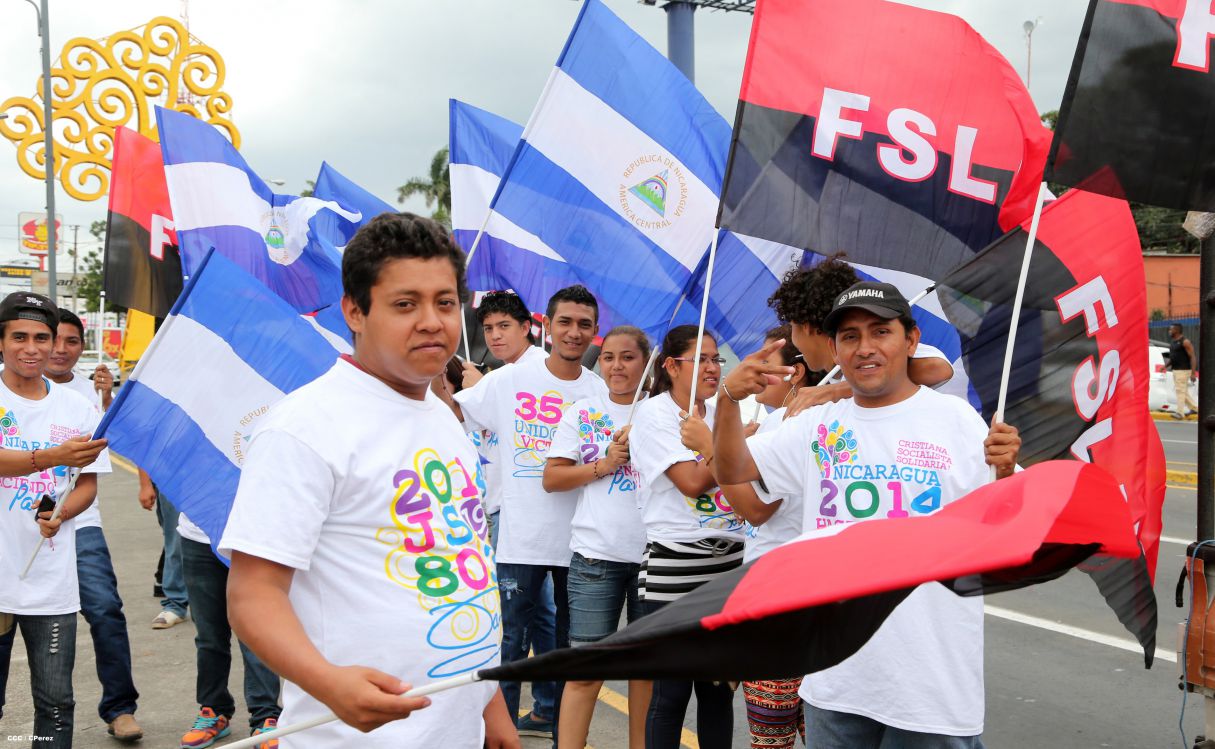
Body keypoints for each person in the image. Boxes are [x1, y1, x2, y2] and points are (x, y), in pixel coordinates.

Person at [221, 212, 518, 748]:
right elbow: (252, 594)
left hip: (457, 728)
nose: (432, 321)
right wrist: (328, 683)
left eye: (444, 302)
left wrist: (488, 706)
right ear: (355, 312)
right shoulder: (305, 427)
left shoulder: (443, 417)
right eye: (406, 304)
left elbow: (461, 571)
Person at [712, 282, 1022, 749]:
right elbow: (734, 467)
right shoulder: (819, 425)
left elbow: (1013, 526)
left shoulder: (956, 421)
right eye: (851, 336)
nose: (866, 347)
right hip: (835, 687)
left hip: (930, 693)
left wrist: (1003, 473)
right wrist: (727, 403)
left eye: (881, 332)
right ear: (835, 348)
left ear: (911, 340)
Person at [443, 284, 607, 745]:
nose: (574, 332)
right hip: (520, 539)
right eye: (565, 322)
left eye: (584, 324)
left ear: (595, 332)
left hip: (581, 545)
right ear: (547, 327)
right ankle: (502, 737)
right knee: (510, 647)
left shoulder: (598, 392)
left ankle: (562, 736)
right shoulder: (509, 381)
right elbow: (456, 413)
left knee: (565, 653)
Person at [680, 325, 814, 749]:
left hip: (781, 603)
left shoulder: (794, 428)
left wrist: (709, 447)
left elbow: (756, 508)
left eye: (765, 363)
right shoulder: (778, 423)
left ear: (794, 374)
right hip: (782, 597)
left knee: (773, 738)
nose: (753, 370)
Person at [0, 292, 110, 748]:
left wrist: (61, 512)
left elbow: (87, 483)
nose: (32, 347)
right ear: (1, 342)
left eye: (41, 338)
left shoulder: (78, 409)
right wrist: (50, 457)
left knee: (56, 703)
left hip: (49, 580)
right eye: (19, 337)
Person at [629, 324, 745, 749]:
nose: (714, 368)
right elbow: (694, 481)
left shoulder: (722, 412)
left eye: (717, 359)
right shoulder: (653, 414)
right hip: (676, 561)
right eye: (702, 359)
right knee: (672, 690)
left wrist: (722, 440)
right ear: (671, 366)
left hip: (730, 562)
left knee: (717, 690)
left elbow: (752, 472)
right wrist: (726, 447)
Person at [543, 325, 652, 749]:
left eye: (628, 357)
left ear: (647, 363)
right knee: (586, 672)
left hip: (653, 559)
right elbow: (552, 478)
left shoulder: (664, 412)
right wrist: (604, 464)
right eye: (608, 357)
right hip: (595, 558)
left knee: (646, 672)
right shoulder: (582, 412)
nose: (617, 365)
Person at [39, 310, 141, 742]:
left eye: (72, 342)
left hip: (79, 525)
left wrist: (104, 400)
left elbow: (95, 468)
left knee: (104, 610)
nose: (60, 350)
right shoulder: (12, 393)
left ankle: (119, 708)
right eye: (52, 340)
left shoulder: (87, 396)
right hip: (17, 531)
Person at [767, 255, 954, 416]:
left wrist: (833, 392)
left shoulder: (882, 354)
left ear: (806, 327)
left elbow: (937, 369)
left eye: (792, 327)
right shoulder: (831, 381)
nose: (865, 350)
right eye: (849, 336)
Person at [177, 511, 281, 748]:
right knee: (209, 635)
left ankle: (265, 716)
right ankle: (214, 710)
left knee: (256, 633)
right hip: (198, 536)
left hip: (250, 536)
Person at [1167, 323, 1198, 418]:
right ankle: (1194, 408)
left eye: (1171, 329)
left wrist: (1193, 373)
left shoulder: (1185, 342)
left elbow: (1192, 356)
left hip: (1184, 370)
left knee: (1180, 391)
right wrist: (1165, 366)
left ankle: (1180, 412)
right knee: (1183, 391)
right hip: (1176, 370)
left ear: (1176, 330)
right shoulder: (1173, 342)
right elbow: (1173, 358)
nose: (1169, 331)